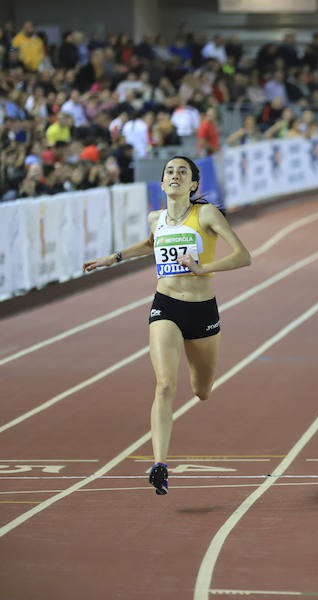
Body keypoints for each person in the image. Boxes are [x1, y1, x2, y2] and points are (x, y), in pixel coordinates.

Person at [82, 156, 251, 495]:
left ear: (193, 185)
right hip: (166, 305)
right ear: (162, 185)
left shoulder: (206, 215)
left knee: (202, 391)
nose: (175, 175)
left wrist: (204, 268)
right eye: (169, 172)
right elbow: (150, 243)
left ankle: (196, 389)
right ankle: (159, 464)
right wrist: (112, 258)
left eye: (182, 172)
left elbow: (243, 256)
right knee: (164, 385)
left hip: (202, 311)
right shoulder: (156, 218)